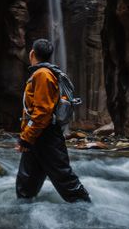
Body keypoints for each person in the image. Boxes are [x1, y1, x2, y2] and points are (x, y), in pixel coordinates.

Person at [15, 39, 91, 203]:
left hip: (46, 135)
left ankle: (88, 213)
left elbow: (42, 112)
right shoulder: (44, 73)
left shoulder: (43, 74)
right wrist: (27, 138)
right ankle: (22, 215)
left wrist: (26, 137)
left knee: (65, 179)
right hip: (38, 136)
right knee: (25, 184)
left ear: (32, 54)